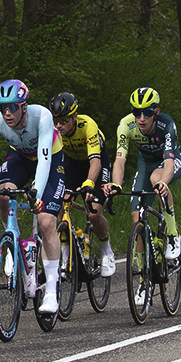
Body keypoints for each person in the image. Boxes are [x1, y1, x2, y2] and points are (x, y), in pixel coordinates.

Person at [0, 79, 66, 314]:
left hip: (50, 159)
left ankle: (51, 291)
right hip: (20, 157)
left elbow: (44, 160)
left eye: (12, 107)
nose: (7, 113)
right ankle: (12, 241)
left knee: (46, 222)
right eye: (2, 107)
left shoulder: (42, 116)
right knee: (3, 194)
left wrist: (37, 195)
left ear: (24, 106)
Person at [104, 86, 181, 261]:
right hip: (146, 163)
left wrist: (163, 183)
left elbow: (169, 162)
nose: (141, 118)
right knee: (136, 216)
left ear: (156, 113)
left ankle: (172, 233)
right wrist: (116, 184)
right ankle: (141, 270)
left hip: (169, 160)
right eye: (137, 112)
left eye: (147, 113)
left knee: (156, 179)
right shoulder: (126, 125)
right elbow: (120, 160)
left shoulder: (167, 124)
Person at [48, 91, 116, 277]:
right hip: (72, 164)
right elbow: (49, 160)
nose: (59, 125)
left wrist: (89, 183)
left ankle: (107, 251)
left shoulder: (88, 126)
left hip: (96, 163)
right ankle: (65, 258)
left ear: (75, 116)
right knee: (59, 204)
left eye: (64, 120)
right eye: (56, 120)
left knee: (93, 213)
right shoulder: (53, 130)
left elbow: (95, 161)